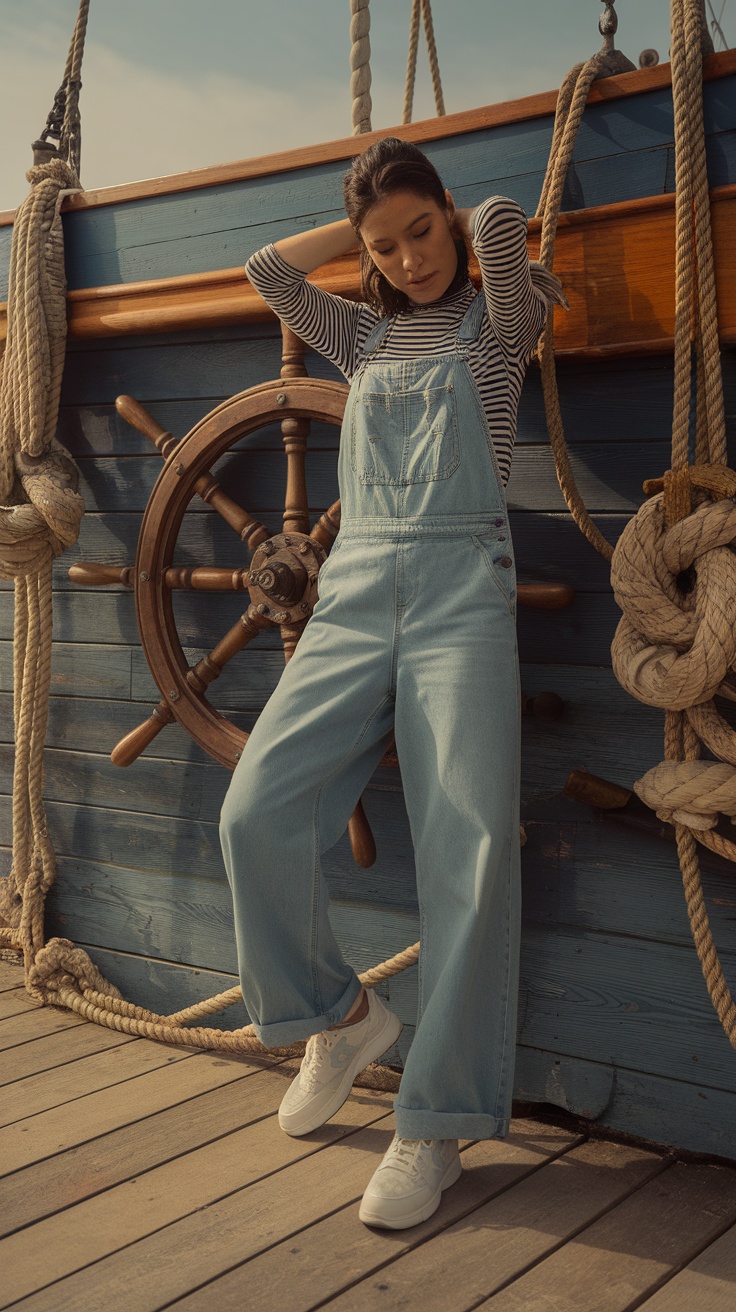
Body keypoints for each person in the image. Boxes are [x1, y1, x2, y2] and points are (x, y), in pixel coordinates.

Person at [220, 136, 565, 1231]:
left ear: (447, 216)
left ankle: (436, 1124)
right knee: (255, 811)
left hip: (464, 583)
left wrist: (449, 215)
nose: (409, 258)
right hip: (355, 584)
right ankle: (337, 1014)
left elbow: (505, 228)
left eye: (422, 230)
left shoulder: (502, 327)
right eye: (385, 244)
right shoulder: (361, 332)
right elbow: (268, 271)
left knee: (465, 850)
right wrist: (357, 221)